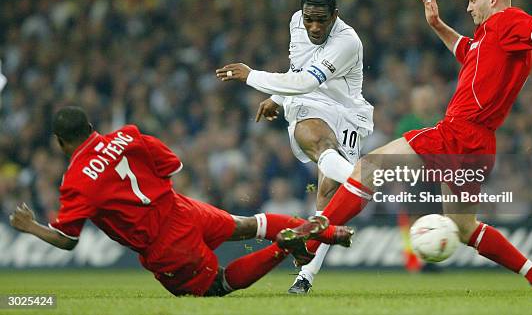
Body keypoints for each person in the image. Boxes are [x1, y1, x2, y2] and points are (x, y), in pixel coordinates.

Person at [301, 0, 532, 294]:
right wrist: (437, 24)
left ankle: (313, 239)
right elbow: (466, 50)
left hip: (457, 133)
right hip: (480, 145)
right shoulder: (491, 40)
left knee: (368, 168)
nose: (469, 8)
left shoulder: (505, 22)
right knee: (464, 228)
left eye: (473, 0)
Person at [9, 106, 353, 297]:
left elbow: (67, 240)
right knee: (249, 225)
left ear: (59, 141)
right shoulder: (126, 135)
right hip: (182, 208)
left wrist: (31, 226)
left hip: (165, 244)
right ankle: (329, 231)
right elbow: (173, 165)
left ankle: (286, 245)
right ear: (90, 125)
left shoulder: (76, 181)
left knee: (218, 284)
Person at [216, 0, 373, 294]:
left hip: (349, 113)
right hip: (309, 102)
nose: (314, 27)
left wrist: (251, 77)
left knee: (327, 200)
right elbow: (297, 70)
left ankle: (306, 276)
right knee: (314, 139)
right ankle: (364, 182)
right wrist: (276, 95)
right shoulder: (295, 22)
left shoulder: (348, 41)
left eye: (321, 21)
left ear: (335, 17)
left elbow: (303, 80)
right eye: (309, 19)